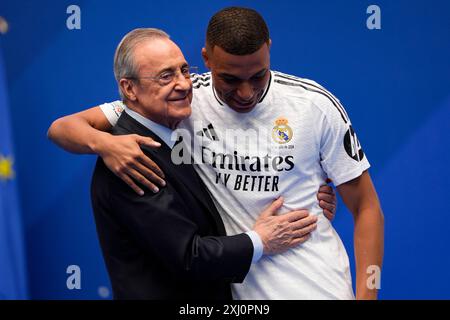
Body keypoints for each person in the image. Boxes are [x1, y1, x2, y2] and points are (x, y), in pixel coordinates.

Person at [48, 7, 383, 300]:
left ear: (269, 51)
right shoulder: (182, 102)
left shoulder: (314, 106)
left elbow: (366, 207)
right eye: (230, 79)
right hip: (234, 291)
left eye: (258, 76)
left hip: (317, 287)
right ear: (206, 59)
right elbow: (62, 127)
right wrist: (105, 143)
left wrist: (366, 296)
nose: (246, 92)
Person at [87, 28, 323, 300]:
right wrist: (262, 240)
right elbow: (190, 256)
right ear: (129, 88)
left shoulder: (170, 137)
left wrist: (309, 191)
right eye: (166, 76)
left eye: (184, 71)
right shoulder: (130, 160)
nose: (184, 84)